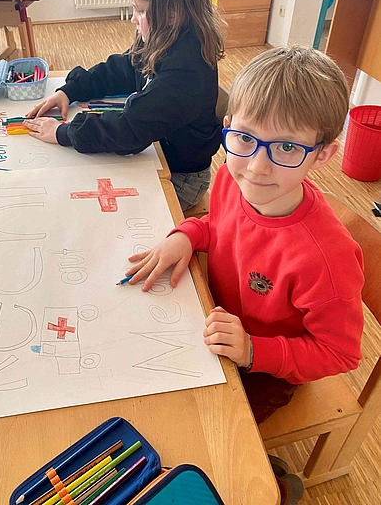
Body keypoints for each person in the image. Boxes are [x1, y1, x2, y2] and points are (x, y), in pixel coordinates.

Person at [126, 46, 364, 427]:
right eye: (245, 138)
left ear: (322, 155)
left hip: (266, 370)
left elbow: (340, 353)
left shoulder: (327, 259)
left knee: (192, 427)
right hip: (213, 319)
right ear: (228, 124)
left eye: (287, 147)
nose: (256, 167)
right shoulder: (230, 179)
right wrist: (188, 234)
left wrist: (253, 350)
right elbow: (219, 226)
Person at [23, 0, 225, 211]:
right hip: (159, 153)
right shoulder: (166, 38)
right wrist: (70, 90)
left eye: (139, 11)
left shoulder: (186, 72)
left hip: (180, 179)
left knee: (82, 199)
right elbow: (123, 68)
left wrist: (62, 132)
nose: (132, 19)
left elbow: (128, 131)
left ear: (171, 14)